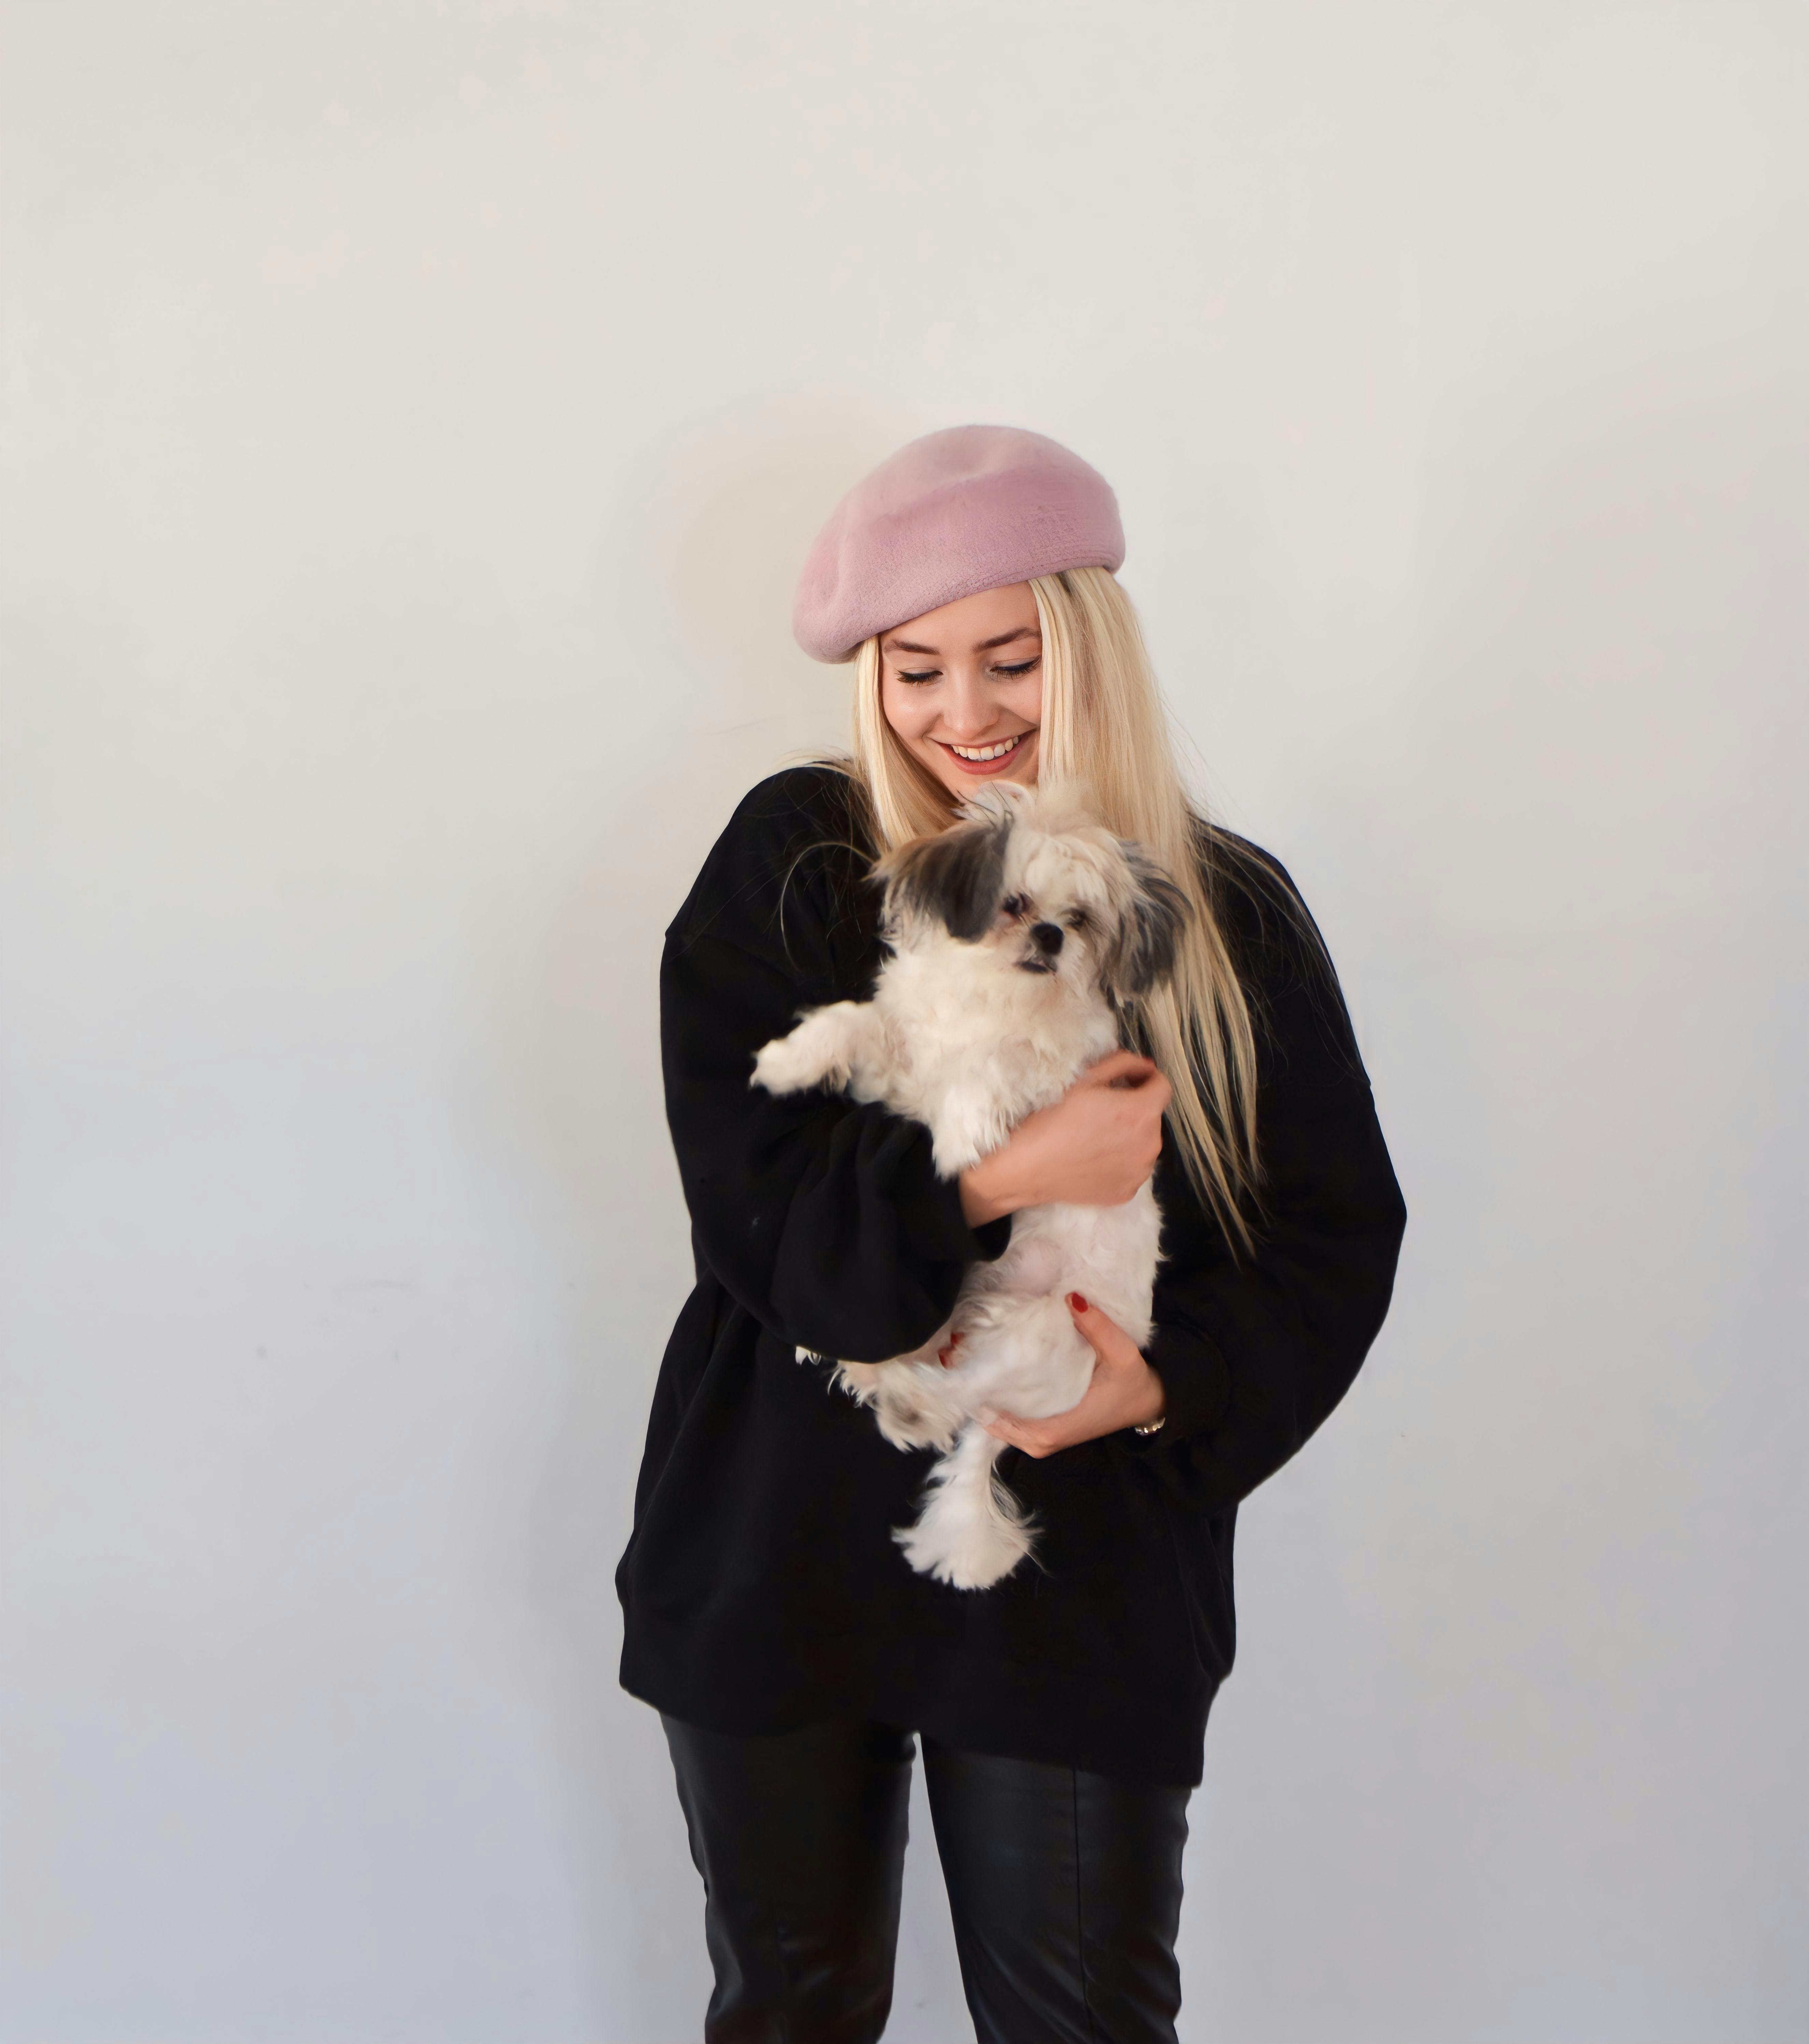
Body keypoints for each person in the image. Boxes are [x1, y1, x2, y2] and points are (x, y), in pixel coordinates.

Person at [616, 425, 1408, 2044]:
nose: (963, 715)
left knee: (1082, 2022)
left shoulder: (1220, 911)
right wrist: (997, 1173)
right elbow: (758, 1228)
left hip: (1078, 1558)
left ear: (1087, 647)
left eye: (1009, 656)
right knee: (788, 2011)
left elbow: (1339, 1232)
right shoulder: (797, 861)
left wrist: (1165, 1390)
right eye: (917, 669)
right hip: (777, 1543)